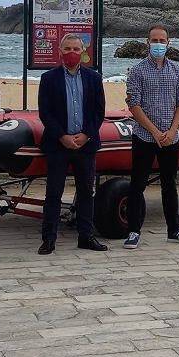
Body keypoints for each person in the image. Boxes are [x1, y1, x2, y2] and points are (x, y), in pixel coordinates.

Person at [123, 24, 179, 249]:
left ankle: (174, 230)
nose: (158, 45)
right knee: (138, 184)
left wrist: (173, 131)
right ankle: (134, 231)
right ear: (147, 43)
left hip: (170, 137)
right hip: (145, 137)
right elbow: (133, 104)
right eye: (154, 41)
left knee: (170, 185)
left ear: (168, 43)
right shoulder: (137, 71)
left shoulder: (176, 70)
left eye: (161, 41)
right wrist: (155, 132)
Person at [36, 33, 107, 255]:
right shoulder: (48, 79)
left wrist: (86, 134)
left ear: (83, 52)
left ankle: (86, 237)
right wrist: (62, 136)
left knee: (86, 191)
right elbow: (45, 113)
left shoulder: (93, 78)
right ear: (60, 52)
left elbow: (98, 111)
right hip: (58, 144)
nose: (72, 53)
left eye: (76, 49)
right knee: (53, 193)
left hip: (86, 145)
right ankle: (49, 239)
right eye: (67, 49)